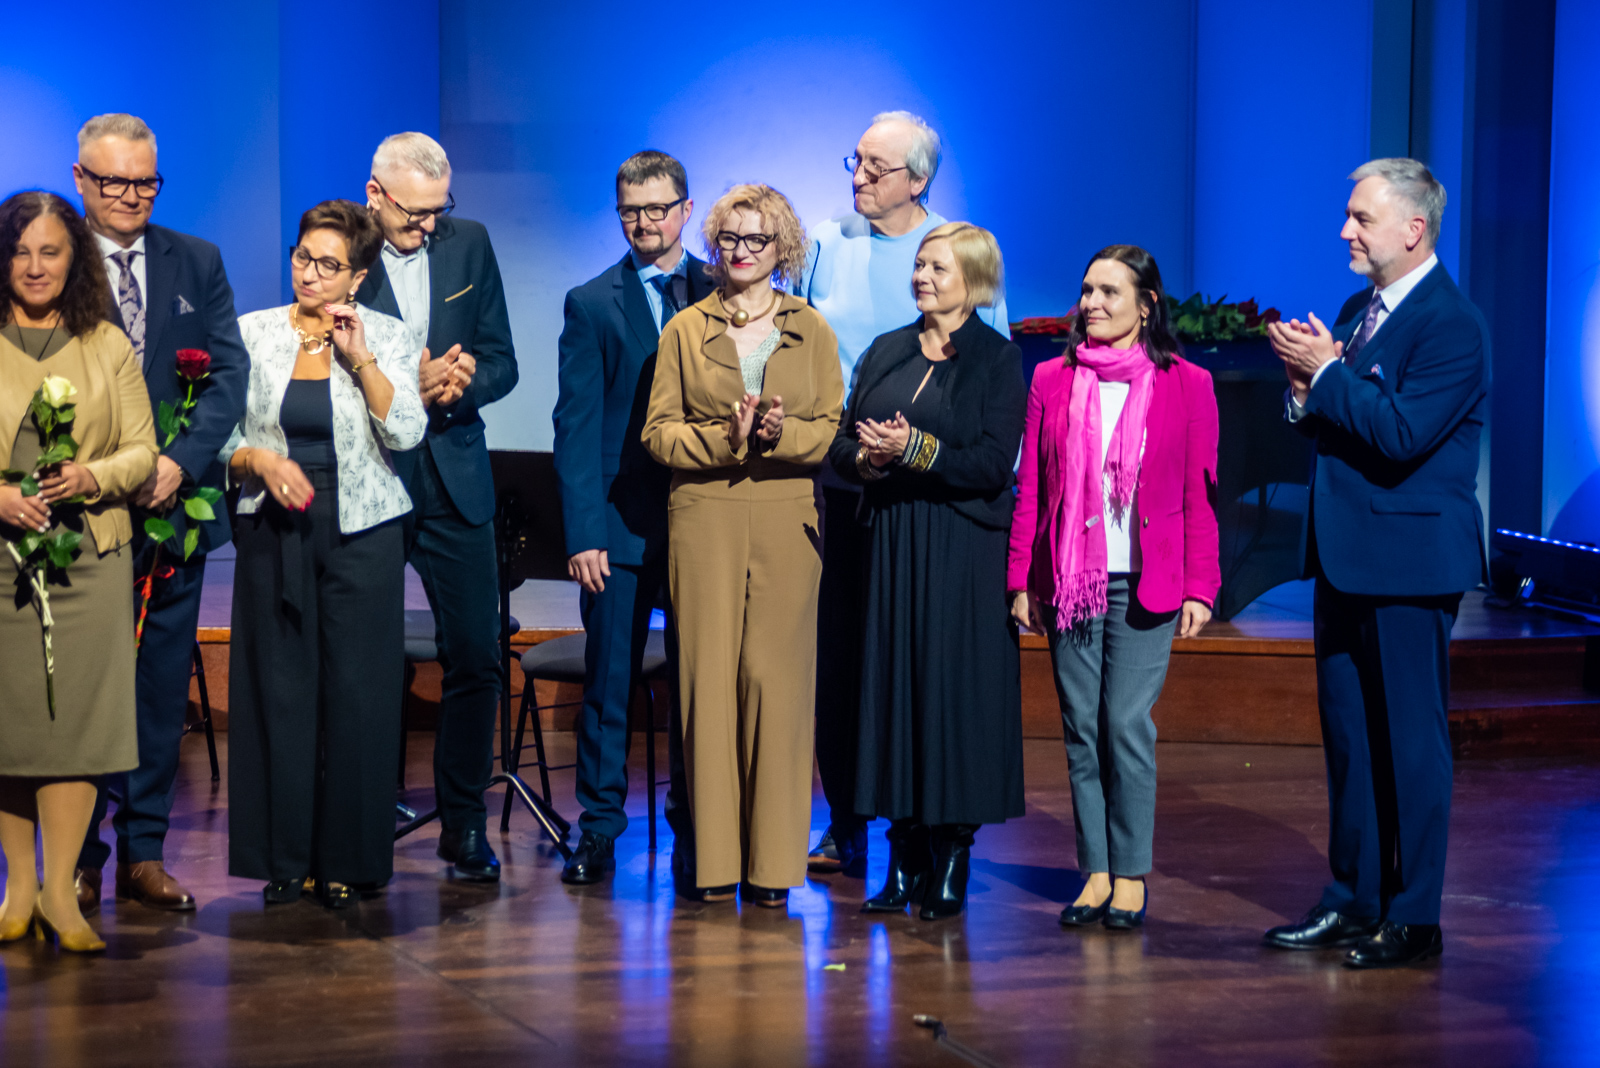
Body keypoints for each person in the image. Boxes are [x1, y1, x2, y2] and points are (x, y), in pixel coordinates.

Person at [1261, 159, 1487, 968]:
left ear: (1413, 229)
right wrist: (1303, 387)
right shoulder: (1359, 311)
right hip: (1345, 557)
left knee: (1411, 744)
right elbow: (1336, 422)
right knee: (1351, 739)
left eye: (1362, 218)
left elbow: (1400, 434)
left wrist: (1325, 373)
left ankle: (1414, 916)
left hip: (1409, 562)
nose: (1345, 232)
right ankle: (1354, 898)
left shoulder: (1452, 324)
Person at [797, 111, 1010, 877]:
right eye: (854, 161)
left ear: (918, 180)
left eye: (876, 166)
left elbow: (988, 369)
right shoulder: (827, 242)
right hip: (842, 477)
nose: (858, 176)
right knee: (840, 654)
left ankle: (919, 825)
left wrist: (918, 450)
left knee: (907, 655)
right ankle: (846, 818)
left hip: (928, 496)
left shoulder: (957, 248)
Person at [642, 184, 843, 907]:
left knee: (776, 685)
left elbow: (829, 428)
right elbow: (658, 433)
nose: (741, 252)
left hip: (787, 515)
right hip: (705, 513)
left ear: (781, 247)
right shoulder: (683, 329)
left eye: (756, 239)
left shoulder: (810, 329)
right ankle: (715, 861)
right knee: (707, 685)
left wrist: (779, 434)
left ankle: (772, 866)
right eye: (729, 238)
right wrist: (723, 438)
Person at [1008, 245, 1219, 931]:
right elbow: (1032, 490)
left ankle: (1130, 874)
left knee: (1125, 722)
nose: (1092, 303)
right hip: (1070, 578)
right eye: (1087, 290)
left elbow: (1200, 494)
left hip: (1147, 579)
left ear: (1146, 304)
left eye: (1108, 292)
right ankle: (1095, 872)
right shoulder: (1051, 379)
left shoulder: (1189, 383)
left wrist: (1201, 585)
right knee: (1080, 725)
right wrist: (1021, 579)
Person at [70, 113, 248, 915]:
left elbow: (228, 376)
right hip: (83, 519)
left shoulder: (196, 260)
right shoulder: (50, 261)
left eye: (146, 182)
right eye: (114, 181)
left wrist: (179, 463)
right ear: (81, 180)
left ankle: (144, 851)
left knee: (158, 691)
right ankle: (77, 856)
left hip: (175, 514)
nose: (131, 196)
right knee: (81, 694)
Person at [225, 200, 424, 908]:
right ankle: (283, 857)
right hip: (274, 525)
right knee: (279, 689)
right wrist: (257, 459)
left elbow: (405, 432)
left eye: (329, 265)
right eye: (303, 256)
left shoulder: (388, 335)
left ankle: (349, 859)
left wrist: (360, 356)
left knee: (358, 693)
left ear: (358, 277)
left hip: (363, 529)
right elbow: (221, 434)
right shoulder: (252, 333)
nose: (310, 273)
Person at [827, 222, 1026, 920]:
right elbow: (840, 444)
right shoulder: (886, 350)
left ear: (974, 279)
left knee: (951, 692)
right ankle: (904, 856)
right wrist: (871, 458)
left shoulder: (998, 360)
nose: (922, 277)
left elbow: (992, 463)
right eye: (919, 265)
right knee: (892, 691)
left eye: (938, 268)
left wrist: (917, 449)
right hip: (891, 540)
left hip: (962, 547)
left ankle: (951, 855)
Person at [354, 133, 518, 883]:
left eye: (437, 210)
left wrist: (462, 383)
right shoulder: (339, 249)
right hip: (373, 476)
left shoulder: (468, 243)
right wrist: (401, 391)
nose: (427, 226)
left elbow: (503, 360)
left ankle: (464, 823)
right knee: (361, 655)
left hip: (454, 472)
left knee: (477, 654)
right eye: (413, 213)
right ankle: (356, 823)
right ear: (375, 195)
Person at [0, 191, 158, 952]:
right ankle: (17, 890)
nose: (35, 266)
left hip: (89, 559)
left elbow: (142, 450)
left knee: (77, 728)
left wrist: (91, 477)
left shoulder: (107, 343)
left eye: (51, 251)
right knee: (11, 724)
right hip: (2, 562)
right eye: (20, 251)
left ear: (76, 259)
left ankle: (62, 892)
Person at [553, 151, 713, 888]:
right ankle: (599, 828)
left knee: (699, 681)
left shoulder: (723, 288)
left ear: (686, 209)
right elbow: (576, 425)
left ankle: (698, 824)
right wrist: (584, 532)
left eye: (656, 208)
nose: (643, 222)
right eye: (630, 211)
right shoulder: (591, 303)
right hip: (618, 525)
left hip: (704, 518)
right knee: (609, 681)